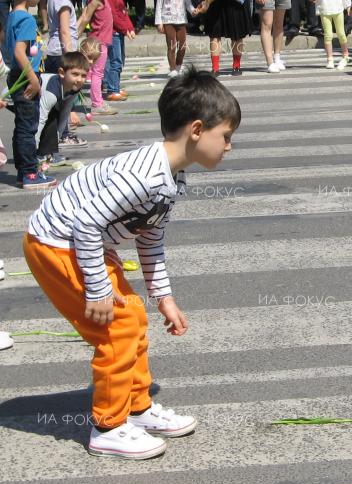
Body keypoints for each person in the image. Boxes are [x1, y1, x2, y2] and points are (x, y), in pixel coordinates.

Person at [24, 67, 240, 459]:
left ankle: (137, 408)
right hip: (56, 242)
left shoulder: (172, 177)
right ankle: (108, 425)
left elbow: (150, 236)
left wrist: (163, 297)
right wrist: (98, 288)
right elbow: (86, 222)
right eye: (225, 136)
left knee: (133, 317)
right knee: (117, 329)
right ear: (196, 130)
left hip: (83, 243)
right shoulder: (144, 176)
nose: (229, 146)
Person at [3, 0, 54, 189]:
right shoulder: (26, 19)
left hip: (18, 74)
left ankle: (23, 171)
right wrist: (33, 79)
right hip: (25, 77)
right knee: (28, 127)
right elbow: (19, 52)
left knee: (21, 126)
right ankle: (30, 174)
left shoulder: (12, 15)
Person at [35, 51, 90, 165]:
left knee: (55, 117)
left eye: (83, 75)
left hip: (39, 101)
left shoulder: (74, 88)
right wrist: (32, 153)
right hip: (15, 99)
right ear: (61, 72)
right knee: (49, 119)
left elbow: (64, 114)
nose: (80, 79)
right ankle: (36, 154)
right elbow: (39, 121)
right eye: (75, 74)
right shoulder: (52, 92)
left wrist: (57, 141)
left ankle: (47, 153)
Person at [76, 0, 116, 115]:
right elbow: (86, 16)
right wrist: (77, 33)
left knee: (94, 72)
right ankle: (96, 104)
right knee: (97, 73)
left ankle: (97, 100)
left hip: (101, 41)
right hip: (97, 43)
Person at [155, 0, 196, 77]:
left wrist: (193, 11)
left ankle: (178, 66)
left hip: (181, 21)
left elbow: (188, 4)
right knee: (171, 46)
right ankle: (172, 69)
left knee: (182, 46)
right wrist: (159, 23)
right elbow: (158, 7)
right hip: (168, 22)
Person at [44, 0, 83, 73]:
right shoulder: (63, 2)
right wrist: (71, 58)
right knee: (66, 90)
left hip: (53, 51)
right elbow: (64, 31)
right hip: (61, 53)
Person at [103, 0, 134, 101]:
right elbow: (114, 18)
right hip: (113, 33)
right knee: (115, 61)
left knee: (119, 60)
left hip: (118, 33)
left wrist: (130, 28)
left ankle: (115, 86)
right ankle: (112, 89)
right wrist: (125, 29)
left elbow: (124, 15)